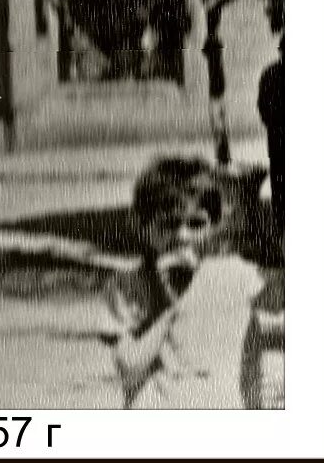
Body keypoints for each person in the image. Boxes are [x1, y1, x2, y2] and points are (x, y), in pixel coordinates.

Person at [105, 155, 283, 408]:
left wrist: (250, 205)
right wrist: (169, 307)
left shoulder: (230, 276)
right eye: (168, 224)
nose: (182, 236)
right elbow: (130, 369)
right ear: (142, 226)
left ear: (214, 227)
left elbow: (274, 304)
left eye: (196, 224)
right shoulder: (129, 286)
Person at [257, 38, 283, 240]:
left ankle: (281, 221)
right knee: (279, 179)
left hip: (277, 137)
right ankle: (281, 221)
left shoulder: (269, 73)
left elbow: (263, 107)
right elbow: (263, 106)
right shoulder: (270, 74)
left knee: (279, 179)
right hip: (277, 137)